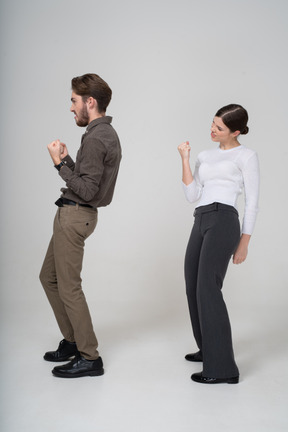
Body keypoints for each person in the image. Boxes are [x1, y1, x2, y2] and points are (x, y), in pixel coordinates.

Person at [39, 73, 122, 378]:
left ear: (90, 101)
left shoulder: (98, 136)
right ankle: (73, 341)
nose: (71, 107)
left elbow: (87, 191)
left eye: (74, 101)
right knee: (48, 277)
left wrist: (58, 164)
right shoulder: (100, 133)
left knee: (69, 288)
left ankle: (89, 356)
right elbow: (88, 180)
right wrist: (68, 160)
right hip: (73, 213)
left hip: (75, 215)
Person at [178, 104, 259, 384]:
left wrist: (244, 242)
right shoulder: (205, 155)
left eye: (219, 128)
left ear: (235, 131)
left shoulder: (246, 156)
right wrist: (186, 159)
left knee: (208, 288)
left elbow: (253, 202)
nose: (212, 130)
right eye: (213, 123)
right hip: (200, 217)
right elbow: (192, 194)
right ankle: (208, 349)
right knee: (192, 284)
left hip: (224, 220)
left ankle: (223, 369)